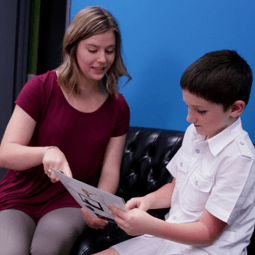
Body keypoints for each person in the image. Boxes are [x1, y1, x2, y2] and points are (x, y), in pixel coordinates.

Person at [94, 50, 255, 255]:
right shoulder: (195, 133)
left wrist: (150, 225)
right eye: (188, 107)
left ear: (235, 108)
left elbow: (207, 233)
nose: (189, 117)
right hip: (168, 240)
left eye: (201, 111)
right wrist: (147, 201)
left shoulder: (240, 158)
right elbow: (176, 187)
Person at [0, 6, 131, 255]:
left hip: (71, 198)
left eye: (110, 51)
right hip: (21, 195)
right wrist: (46, 152)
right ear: (73, 47)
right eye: (93, 50)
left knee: (46, 249)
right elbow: (5, 153)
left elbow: (110, 170)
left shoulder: (118, 106)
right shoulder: (40, 87)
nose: (102, 59)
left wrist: (97, 207)